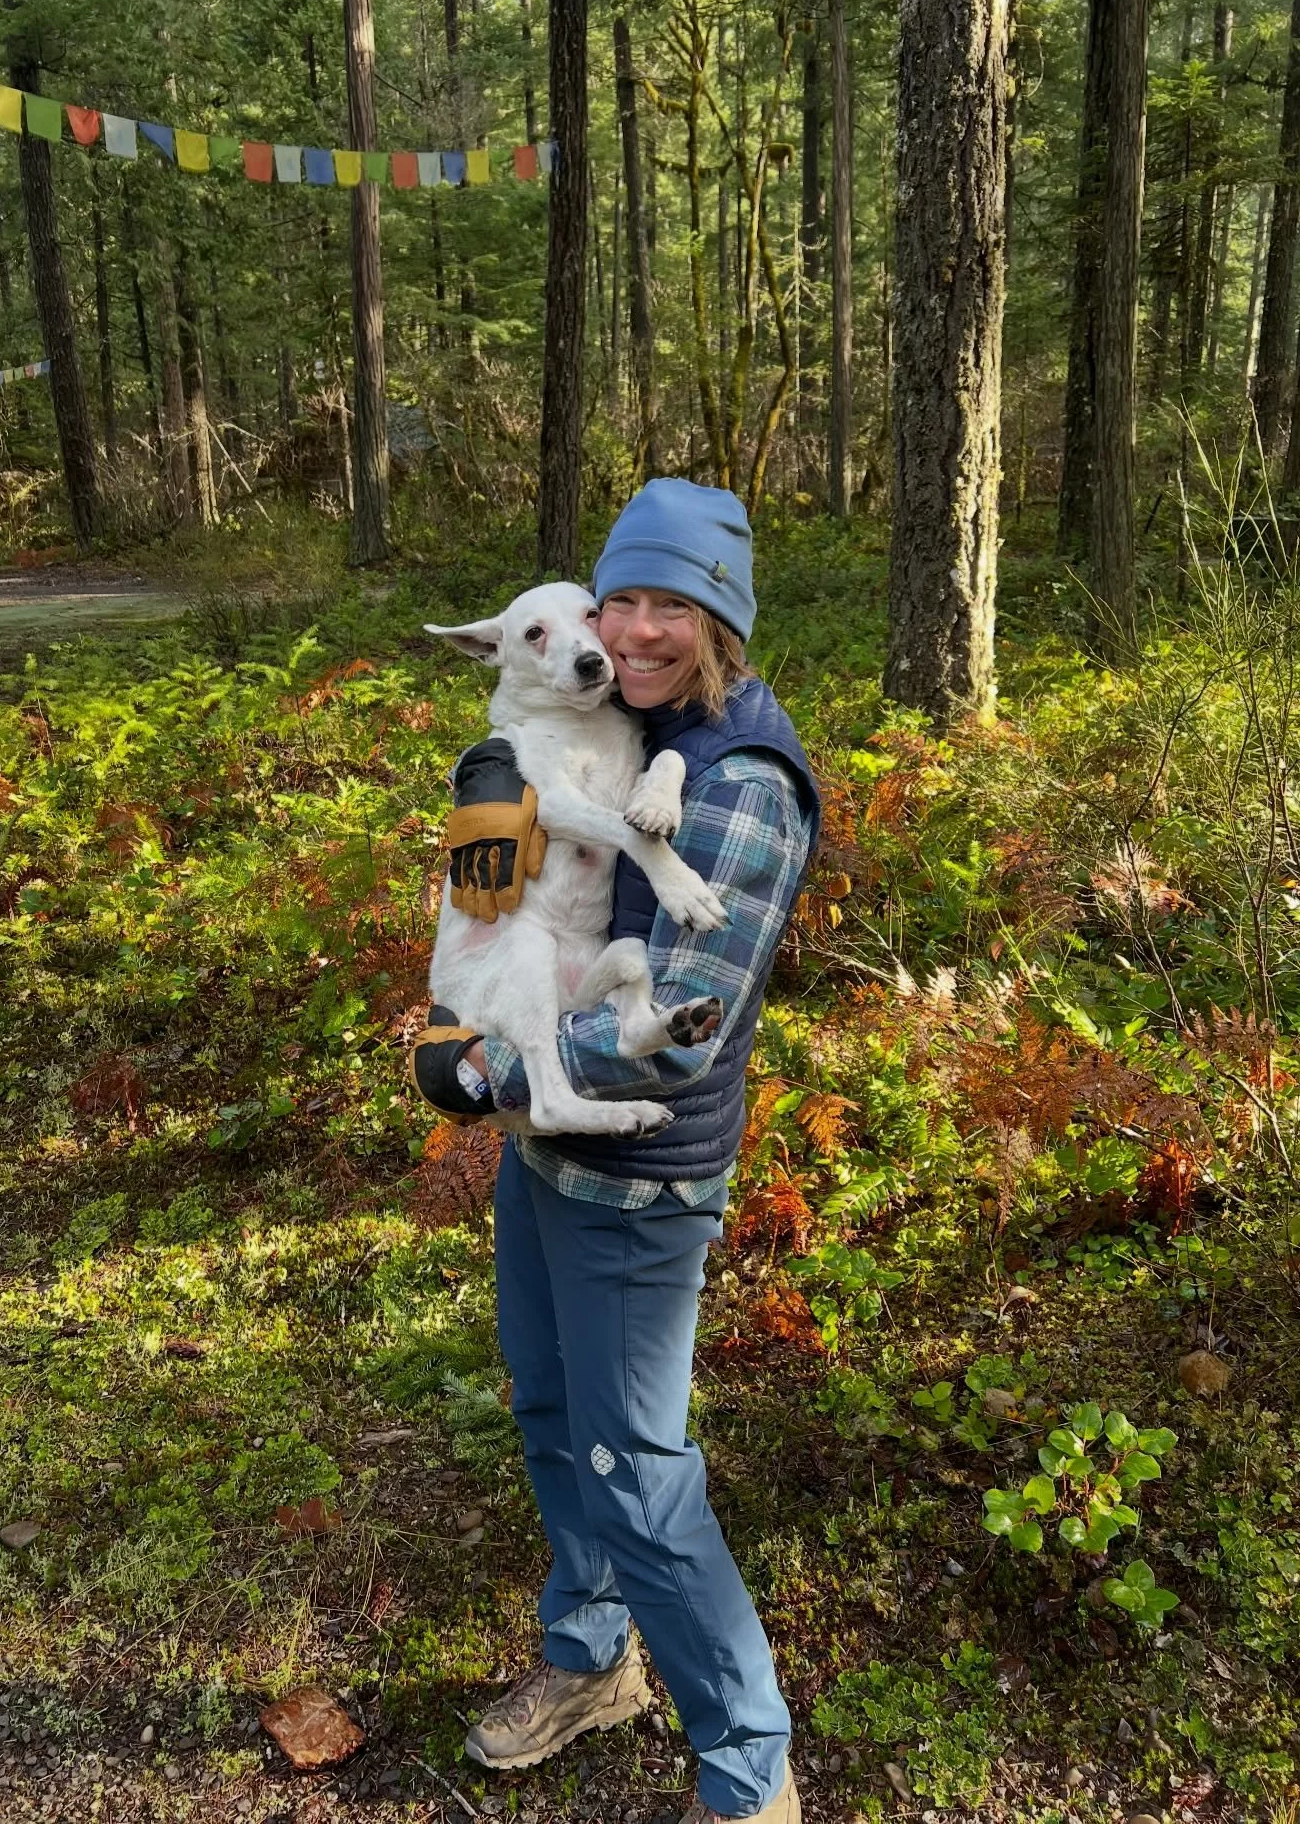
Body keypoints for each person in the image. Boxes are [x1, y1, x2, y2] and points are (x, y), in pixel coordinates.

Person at [431, 480, 820, 1824]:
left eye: (675, 607)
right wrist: (491, 809)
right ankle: (593, 1657)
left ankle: (749, 1772)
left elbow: (676, 1034)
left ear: (722, 623)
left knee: (638, 1472)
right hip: (544, 1152)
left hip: (640, 1176)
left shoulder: (743, 781)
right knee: (550, 1410)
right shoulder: (628, 716)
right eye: (622, 600)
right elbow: (514, 889)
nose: (637, 630)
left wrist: (479, 1072)